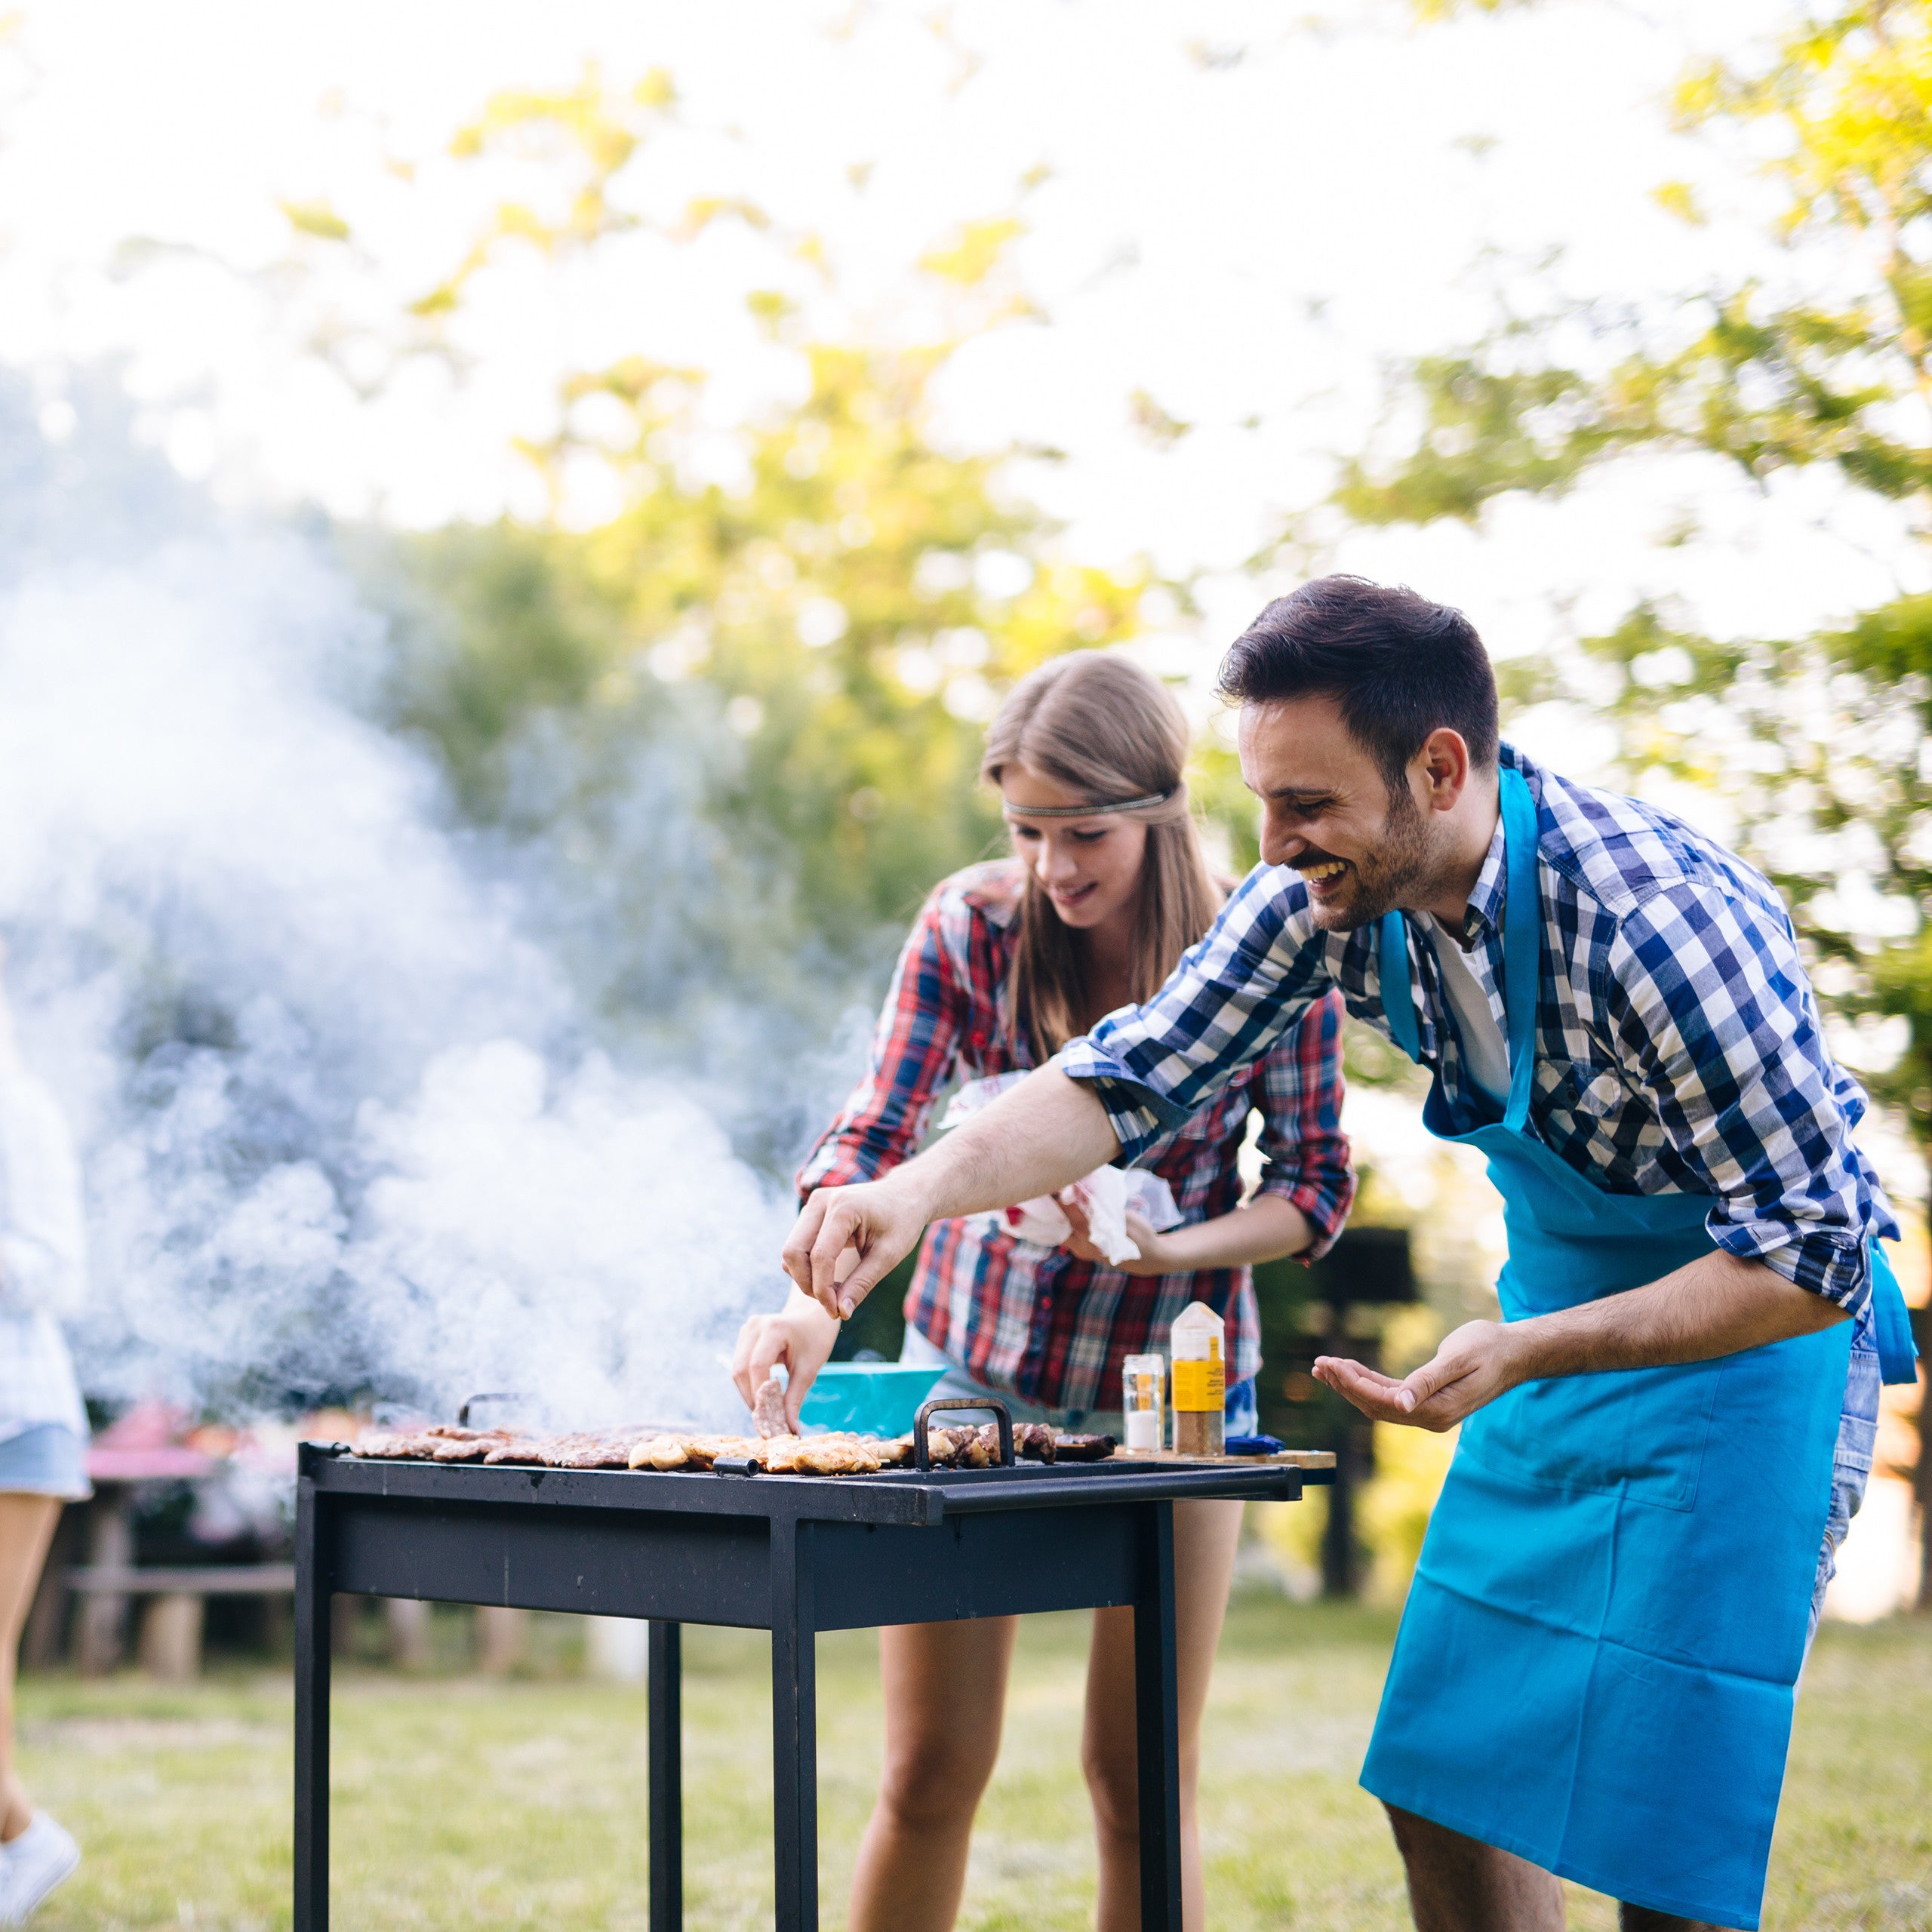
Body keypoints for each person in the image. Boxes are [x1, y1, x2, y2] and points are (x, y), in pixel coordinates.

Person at [780, 577, 1919, 1932]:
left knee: (1659, 1835)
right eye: (1263, 801)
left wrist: (1530, 1350)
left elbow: (1808, 1255)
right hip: (1547, 1329)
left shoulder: (1659, 926)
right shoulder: (1317, 901)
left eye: (1307, 806)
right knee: (1443, 1782)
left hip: (1748, 1342)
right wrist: (911, 1194)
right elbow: (1124, 1078)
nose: (1272, 843)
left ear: (1438, 771)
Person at [735, 651, 1354, 1932]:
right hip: (975, 1365)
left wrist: (1164, 1250)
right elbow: (874, 1137)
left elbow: (1312, 1192)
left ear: (1161, 814)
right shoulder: (972, 926)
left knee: (1138, 1781)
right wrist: (809, 1304)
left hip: (1175, 1392)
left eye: (1088, 835)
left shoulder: (1266, 949)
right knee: (930, 1771)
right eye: (1028, 831)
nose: (1056, 867)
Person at [0, 964, 87, 1925]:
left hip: (15, 1420)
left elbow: (58, 1271)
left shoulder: (17, 1109)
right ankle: (23, 1839)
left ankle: (23, 1841)